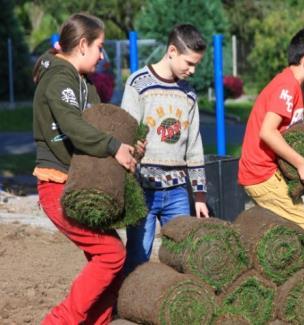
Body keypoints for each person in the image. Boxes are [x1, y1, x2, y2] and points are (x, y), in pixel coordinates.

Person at [33, 13, 144, 324]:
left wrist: (129, 145)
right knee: (111, 255)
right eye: (100, 47)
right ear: (82, 45)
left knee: (108, 257)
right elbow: (73, 125)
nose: (103, 55)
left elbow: (102, 123)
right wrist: (113, 147)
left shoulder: (84, 83)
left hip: (75, 185)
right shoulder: (59, 78)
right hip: (58, 187)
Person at [121, 24, 210, 274]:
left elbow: (194, 146)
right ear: (172, 51)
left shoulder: (189, 94)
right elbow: (126, 132)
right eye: (189, 63)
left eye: (196, 65)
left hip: (178, 192)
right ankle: (125, 308)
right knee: (138, 255)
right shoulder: (138, 83)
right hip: (143, 189)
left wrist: (200, 196)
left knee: (181, 255)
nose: (192, 70)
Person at [238, 25, 304, 238]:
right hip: (261, 175)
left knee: (286, 236)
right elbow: (268, 132)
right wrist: (301, 164)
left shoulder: (292, 86)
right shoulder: (287, 86)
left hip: (268, 174)